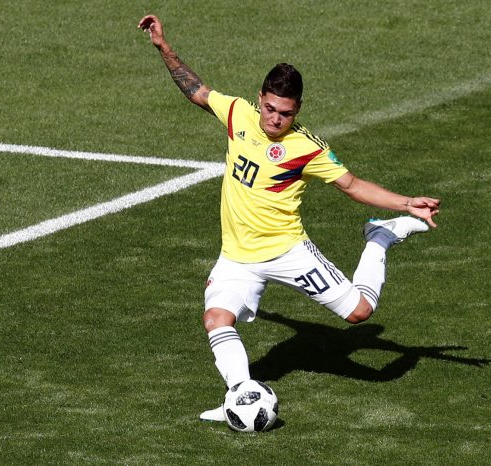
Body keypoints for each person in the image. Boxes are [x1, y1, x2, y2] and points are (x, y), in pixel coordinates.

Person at [138, 14, 441, 422]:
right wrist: (163, 47)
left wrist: (406, 205)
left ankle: (380, 237)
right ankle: (241, 395)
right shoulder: (238, 114)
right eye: (269, 107)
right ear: (258, 97)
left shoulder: (307, 147)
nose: (275, 118)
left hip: (288, 252)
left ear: (297, 109)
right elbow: (196, 90)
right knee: (215, 318)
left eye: (285, 112)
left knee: (360, 313)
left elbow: (352, 185)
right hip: (237, 257)